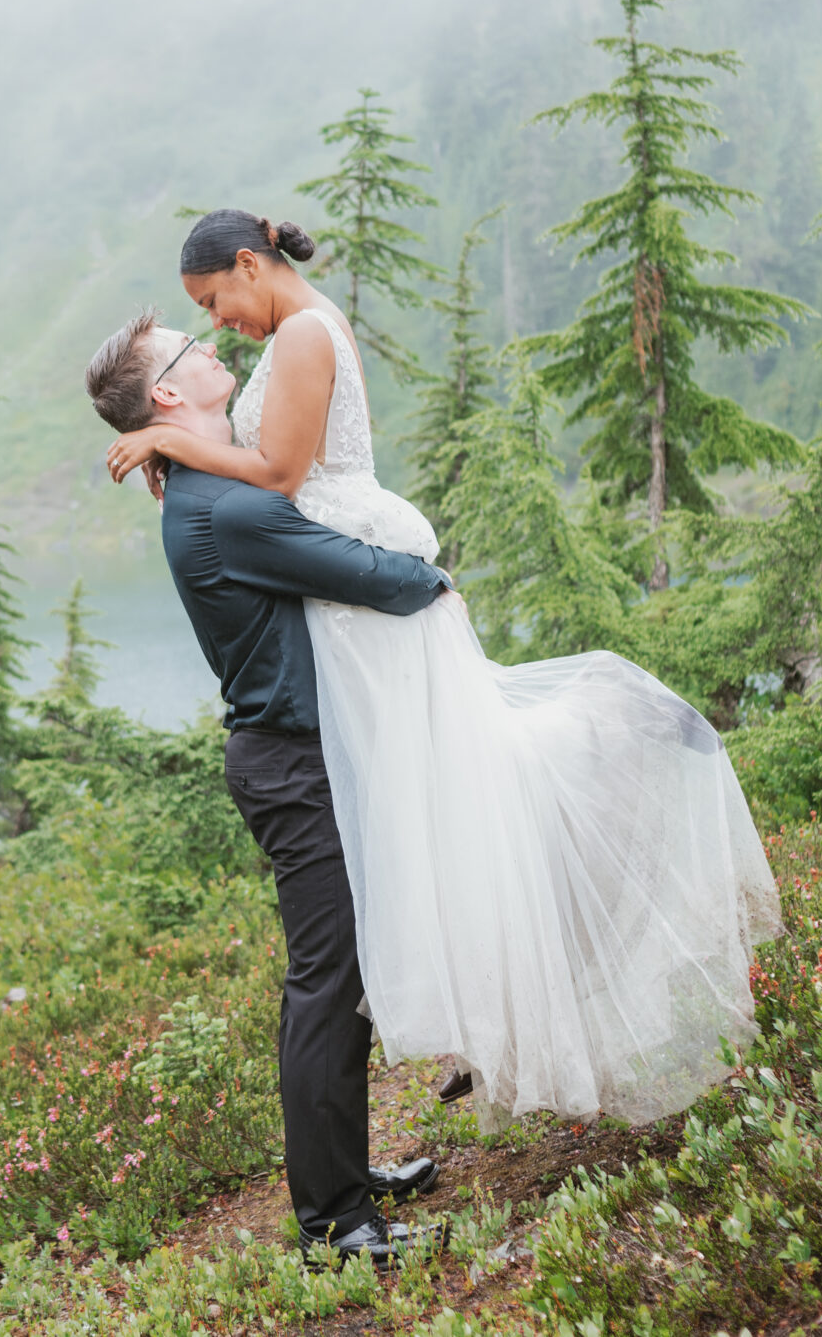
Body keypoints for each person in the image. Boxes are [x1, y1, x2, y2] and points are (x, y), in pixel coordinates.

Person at [102, 208, 783, 1129]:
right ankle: (475, 1006)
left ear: (250, 264)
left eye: (215, 299)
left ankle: (518, 951)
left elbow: (278, 475)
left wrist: (173, 442)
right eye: (203, 315)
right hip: (347, 602)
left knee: (455, 792)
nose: (218, 320)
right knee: (436, 806)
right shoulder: (298, 333)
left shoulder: (301, 335)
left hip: (363, 600)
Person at [83, 308, 450, 1266]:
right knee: (327, 983)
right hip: (293, 765)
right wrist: (434, 578)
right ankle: (334, 1220)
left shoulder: (210, 483)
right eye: (191, 346)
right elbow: (379, 578)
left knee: (339, 975)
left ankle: (346, 1174)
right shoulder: (223, 505)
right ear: (169, 390)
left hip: (299, 755)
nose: (214, 347)